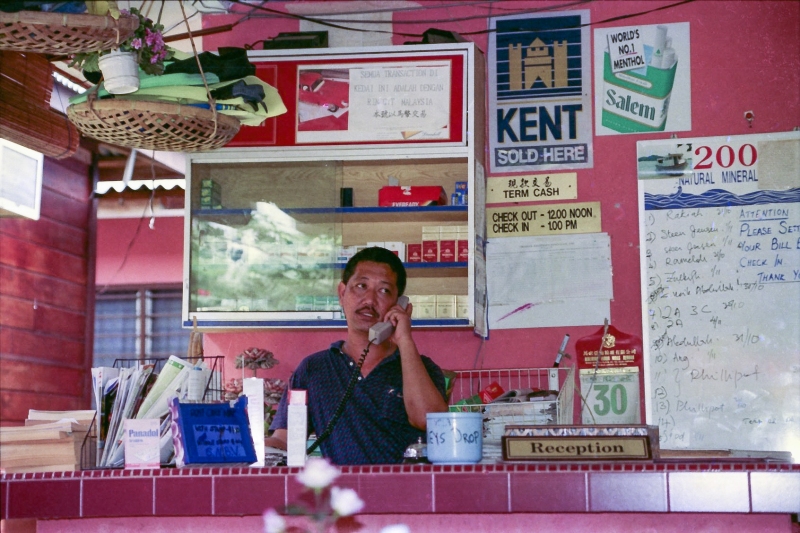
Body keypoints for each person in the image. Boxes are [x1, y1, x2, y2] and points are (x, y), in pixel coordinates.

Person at [265, 246, 449, 464]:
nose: (369, 300)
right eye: (361, 286)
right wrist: (241, 444)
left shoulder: (422, 368)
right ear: (342, 293)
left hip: (409, 493)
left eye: (384, 291)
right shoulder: (313, 369)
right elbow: (285, 441)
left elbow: (432, 423)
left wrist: (405, 340)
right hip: (343, 496)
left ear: (399, 305)